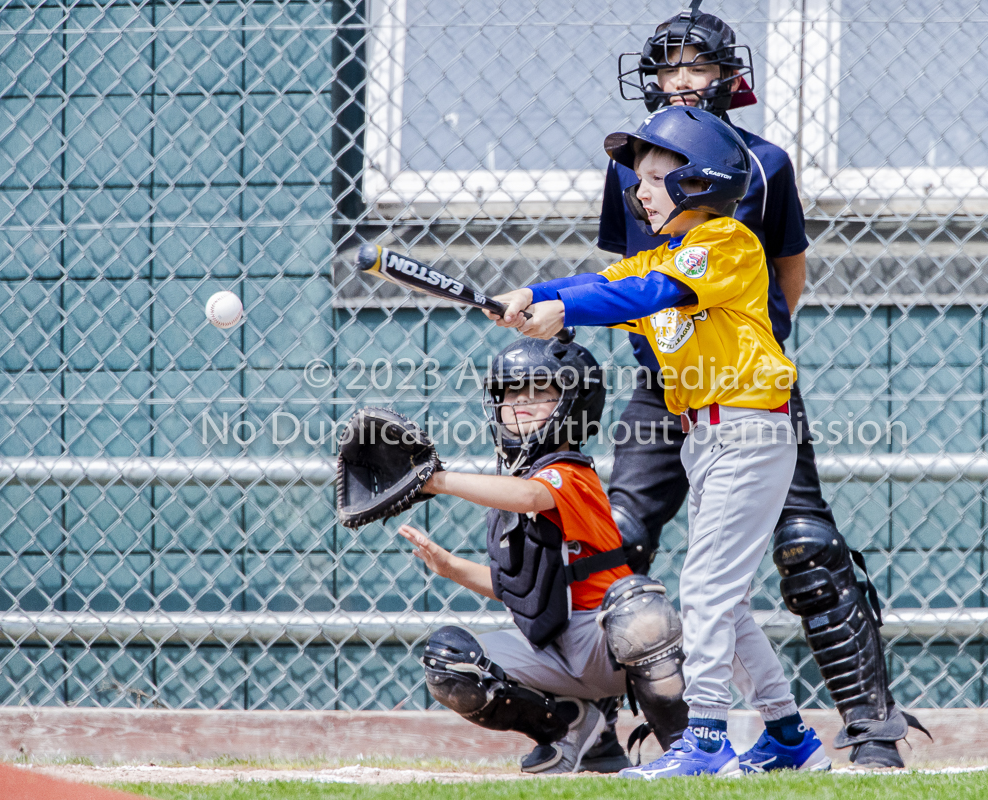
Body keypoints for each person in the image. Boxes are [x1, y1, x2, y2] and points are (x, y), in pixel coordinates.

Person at [600, 8, 928, 768]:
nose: (682, 79)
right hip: (667, 385)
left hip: (747, 387)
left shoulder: (764, 162)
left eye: (697, 65)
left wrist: (743, 338)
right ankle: (600, 733)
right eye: (669, 66)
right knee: (618, 545)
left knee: (806, 547)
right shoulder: (629, 166)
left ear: (726, 74)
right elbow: (622, 275)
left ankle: (871, 733)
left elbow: (787, 274)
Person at [490, 105, 831, 778]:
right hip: (707, 441)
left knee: (704, 593)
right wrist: (534, 293)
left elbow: (644, 293)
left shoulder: (725, 243)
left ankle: (704, 740)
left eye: (652, 177)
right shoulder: (667, 252)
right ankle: (789, 736)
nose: (638, 191)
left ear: (698, 183)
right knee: (723, 597)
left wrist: (569, 309)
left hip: (748, 431)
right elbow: (603, 284)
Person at [397, 336, 688, 774]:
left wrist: (436, 480)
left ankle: (688, 750)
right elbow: (522, 587)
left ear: (572, 404)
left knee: (638, 610)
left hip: (606, 648)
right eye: (513, 392)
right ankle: (575, 727)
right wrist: (449, 566)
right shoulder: (514, 484)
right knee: (449, 661)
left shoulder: (569, 474)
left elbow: (532, 495)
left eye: (541, 392)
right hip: (554, 652)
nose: (522, 403)